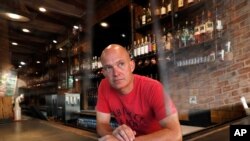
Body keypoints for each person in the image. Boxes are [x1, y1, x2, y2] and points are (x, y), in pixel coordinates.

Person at [96, 44, 182, 141]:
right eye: (109, 68)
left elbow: (176, 134)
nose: (116, 73)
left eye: (121, 64)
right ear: (104, 73)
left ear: (132, 66)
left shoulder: (153, 88)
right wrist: (113, 134)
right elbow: (101, 125)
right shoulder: (104, 86)